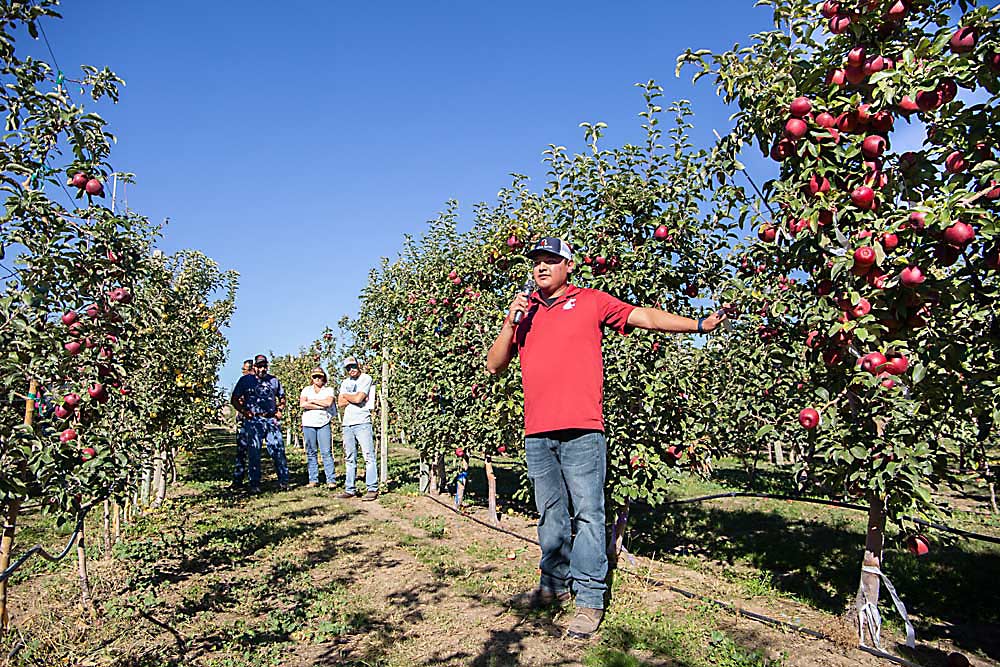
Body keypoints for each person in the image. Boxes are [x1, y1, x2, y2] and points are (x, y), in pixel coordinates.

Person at [486, 237, 727, 640]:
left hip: (582, 429)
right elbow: (495, 365)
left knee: (589, 514)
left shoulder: (591, 302)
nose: (541, 268)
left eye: (551, 261)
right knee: (550, 514)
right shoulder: (524, 316)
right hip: (538, 431)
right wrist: (511, 321)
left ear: (569, 266)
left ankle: (590, 600)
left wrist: (698, 324)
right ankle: (553, 586)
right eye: (537, 263)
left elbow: (644, 318)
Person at [230, 354, 290, 493]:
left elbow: (282, 397)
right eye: (259, 366)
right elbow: (234, 399)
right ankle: (254, 484)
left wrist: (280, 409)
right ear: (255, 367)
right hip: (254, 420)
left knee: (278, 450)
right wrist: (245, 412)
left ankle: (283, 481)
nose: (262, 369)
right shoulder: (246, 380)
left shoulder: (274, 380)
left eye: (264, 366)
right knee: (254, 453)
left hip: (271, 419)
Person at [336, 356, 378, 501]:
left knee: (368, 456)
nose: (351, 370)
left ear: (358, 365)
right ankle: (350, 488)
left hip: (362, 422)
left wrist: (348, 396)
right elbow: (340, 403)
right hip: (347, 423)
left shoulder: (366, 378)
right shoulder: (345, 382)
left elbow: (359, 399)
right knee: (349, 457)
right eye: (348, 368)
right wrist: (353, 397)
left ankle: (372, 488)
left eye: (353, 366)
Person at [299, 366, 337, 488]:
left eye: (319, 376)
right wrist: (320, 405)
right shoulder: (306, 390)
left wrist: (312, 402)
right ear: (312, 378)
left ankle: (331, 480)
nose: (317, 379)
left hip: (323, 423)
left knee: (326, 452)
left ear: (324, 377)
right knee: (311, 452)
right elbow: (302, 404)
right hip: (308, 424)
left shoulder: (328, 390)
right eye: (315, 376)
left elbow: (328, 403)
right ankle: (313, 479)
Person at [229, 359, 254, 490]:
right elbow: (234, 399)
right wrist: (242, 411)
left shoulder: (257, 383)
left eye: (244, 369)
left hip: (254, 421)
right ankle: (238, 480)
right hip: (243, 420)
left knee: (252, 451)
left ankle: (252, 480)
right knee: (241, 450)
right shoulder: (243, 382)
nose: (243, 372)